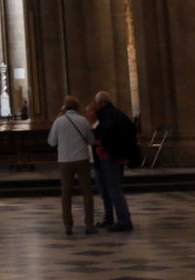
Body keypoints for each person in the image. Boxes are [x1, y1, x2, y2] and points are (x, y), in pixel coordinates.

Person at [46, 96, 97, 237]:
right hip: (82, 159)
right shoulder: (83, 120)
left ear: (64, 107)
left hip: (65, 160)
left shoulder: (59, 121)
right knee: (87, 192)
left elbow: (51, 142)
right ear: (78, 108)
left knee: (66, 193)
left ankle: (68, 225)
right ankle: (89, 224)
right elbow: (91, 140)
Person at [92, 90, 140, 231]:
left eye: (96, 103)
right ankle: (109, 218)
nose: (95, 106)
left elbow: (107, 136)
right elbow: (132, 129)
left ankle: (124, 221)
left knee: (114, 190)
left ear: (101, 103)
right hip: (114, 157)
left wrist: (102, 143)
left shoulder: (108, 115)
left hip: (111, 158)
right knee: (107, 190)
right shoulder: (117, 114)